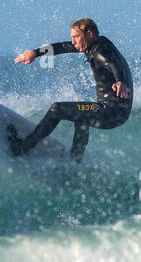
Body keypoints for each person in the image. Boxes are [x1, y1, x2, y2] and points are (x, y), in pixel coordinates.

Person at [10, 17, 133, 162]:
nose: (73, 41)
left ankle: (23, 148)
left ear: (90, 34)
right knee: (82, 114)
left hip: (109, 111)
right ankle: (76, 159)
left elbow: (112, 63)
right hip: (116, 112)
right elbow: (62, 47)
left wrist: (121, 81)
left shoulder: (100, 52)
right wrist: (35, 53)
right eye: (72, 37)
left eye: (76, 37)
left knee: (57, 108)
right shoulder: (98, 44)